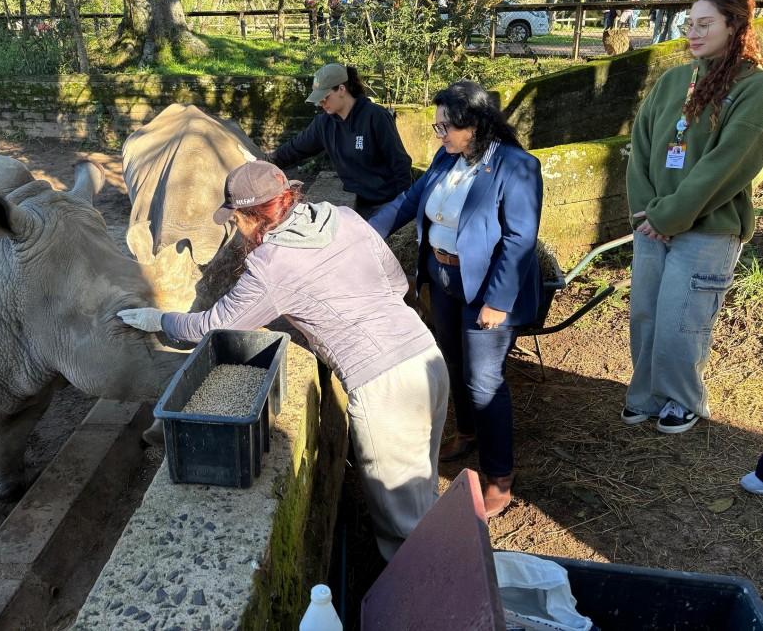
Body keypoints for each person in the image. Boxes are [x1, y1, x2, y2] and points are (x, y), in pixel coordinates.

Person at [117, 161, 449, 561]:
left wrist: (161, 319)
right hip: (426, 357)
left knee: (403, 527)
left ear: (250, 217)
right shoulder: (342, 217)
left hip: (383, 388)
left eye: (235, 219)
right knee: (423, 484)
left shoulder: (271, 263)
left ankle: (426, 599)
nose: (235, 229)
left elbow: (215, 325)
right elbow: (396, 283)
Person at [369, 81, 543, 517]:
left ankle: (499, 475)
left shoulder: (516, 166)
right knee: (452, 361)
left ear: (477, 125)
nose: (439, 134)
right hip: (444, 278)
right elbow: (409, 202)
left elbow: (521, 239)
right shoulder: (449, 157)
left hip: (485, 287)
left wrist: (498, 301)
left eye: (446, 126)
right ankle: (467, 431)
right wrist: (363, 235)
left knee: (484, 380)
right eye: (437, 125)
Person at [623, 0, 763, 434]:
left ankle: (681, 397)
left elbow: (725, 165)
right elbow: (639, 147)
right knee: (646, 311)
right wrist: (647, 213)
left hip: (709, 229)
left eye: (706, 24)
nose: (694, 33)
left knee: (682, 317)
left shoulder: (753, 89)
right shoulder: (672, 81)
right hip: (653, 225)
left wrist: (669, 217)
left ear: (734, 26)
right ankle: (644, 393)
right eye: (690, 24)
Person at [267, 64, 413, 219]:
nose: (321, 103)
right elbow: (295, 148)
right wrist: (267, 162)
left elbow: (400, 163)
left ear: (342, 90)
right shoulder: (324, 124)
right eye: (319, 99)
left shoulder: (376, 117)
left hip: (386, 203)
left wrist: (403, 206)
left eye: (325, 97)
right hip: (356, 203)